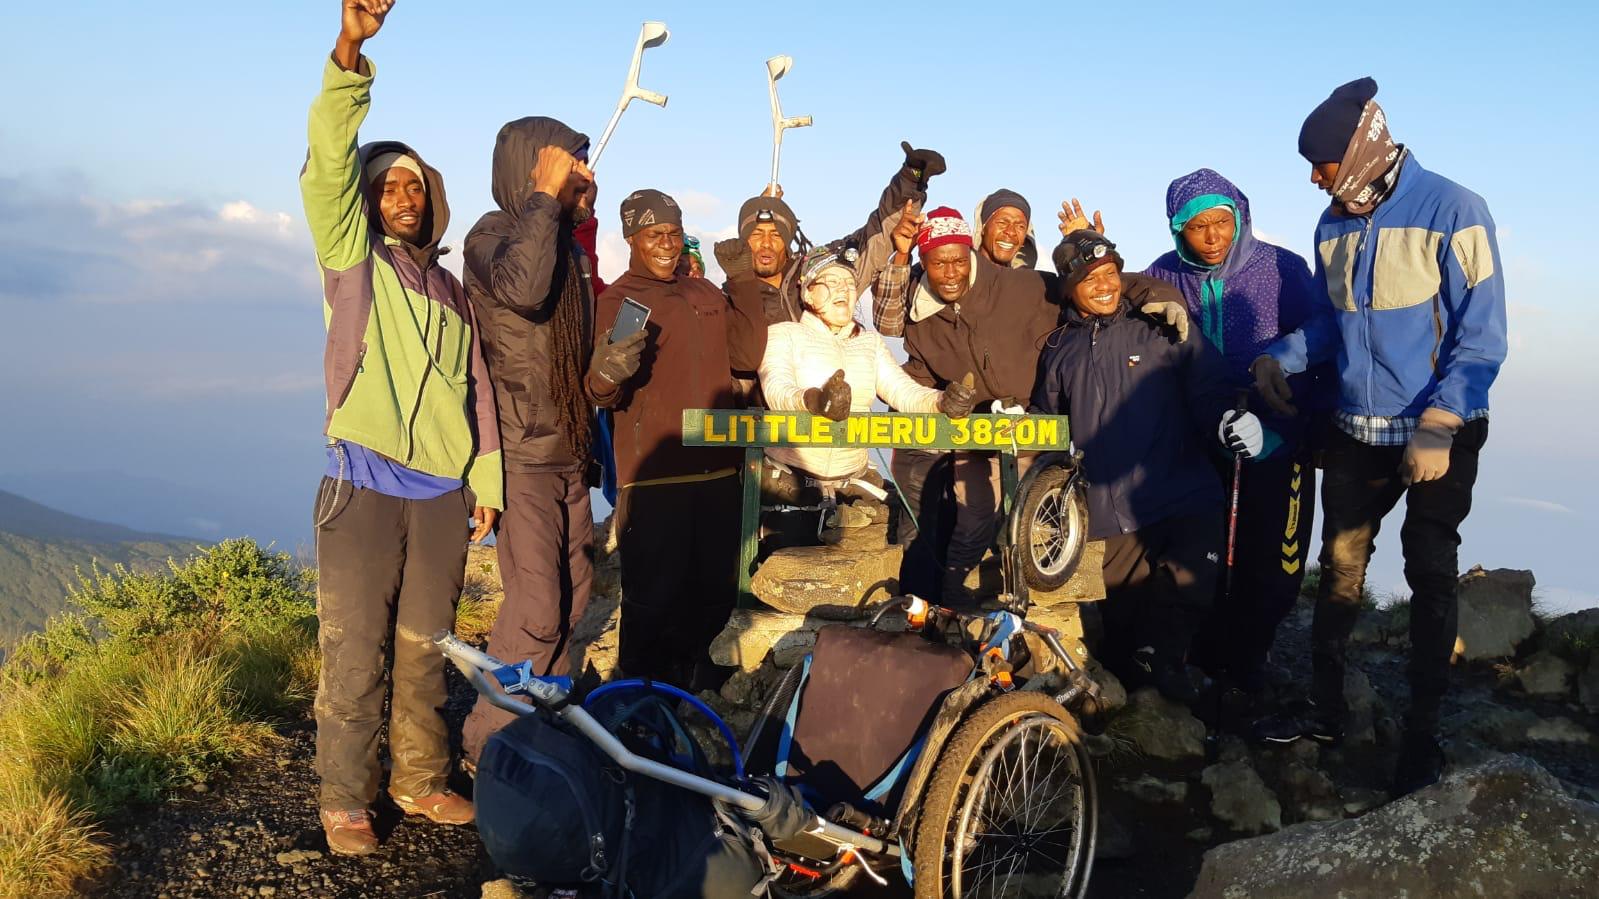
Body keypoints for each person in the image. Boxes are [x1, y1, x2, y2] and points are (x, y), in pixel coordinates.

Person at [1250, 78, 1507, 796]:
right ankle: (1327, 711)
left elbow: (1479, 336)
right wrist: (1283, 357)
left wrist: (1439, 422)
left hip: (1437, 433)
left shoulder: (1454, 209)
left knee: (1428, 570)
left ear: (1357, 150)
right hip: (1358, 430)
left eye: (1321, 163)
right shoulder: (1333, 221)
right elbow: (1336, 322)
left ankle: (1421, 738)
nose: (1313, 177)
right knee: (1338, 568)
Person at [301, 0, 501, 855]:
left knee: (428, 644)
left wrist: (483, 486)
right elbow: (325, 167)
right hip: (363, 483)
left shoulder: (453, 294)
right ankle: (344, 796)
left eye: (415, 184)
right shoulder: (353, 263)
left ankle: (419, 780)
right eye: (387, 184)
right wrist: (350, 51)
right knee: (355, 651)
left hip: (441, 494)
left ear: (434, 202)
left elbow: (477, 392)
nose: (402, 195)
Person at [881, 207, 1189, 603]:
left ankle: (1019, 608)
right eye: (939, 263)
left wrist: (1158, 294)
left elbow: (1098, 283)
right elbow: (919, 376)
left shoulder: (1020, 287)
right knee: (972, 517)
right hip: (977, 431)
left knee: (1032, 520)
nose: (952, 271)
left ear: (969, 254)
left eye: (959, 259)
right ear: (925, 263)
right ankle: (951, 605)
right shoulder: (922, 322)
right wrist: (935, 404)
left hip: (1037, 422)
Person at [1032, 230, 1266, 702]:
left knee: (1191, 588)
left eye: (1111, 274)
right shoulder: (1059, 350)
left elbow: (1207, 382)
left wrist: (1228, 420)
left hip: (1181, 490)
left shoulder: (1160, 328)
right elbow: (1049, 422)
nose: (1105, 285)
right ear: (1069, 288)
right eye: (1090, 278)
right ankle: (1138, 712)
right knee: (1122, 627)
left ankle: (1180, 686)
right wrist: (1024, 436)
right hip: (1109, 510)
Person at [459, 117, 610, 764]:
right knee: (537, 606)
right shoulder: (490, 236)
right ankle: (488, 745)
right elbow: (520, 291)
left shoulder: (569, 249)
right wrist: (548, 196)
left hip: (568, 450)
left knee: (574, 593)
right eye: (573, 163)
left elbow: (572, 356)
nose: (588, 175)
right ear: (533, 169)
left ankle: (541, 724)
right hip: (520, 453)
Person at [1141, 169, 1324, 696]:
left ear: (1240, 217)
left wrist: (1291, 426)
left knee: (1270, 557)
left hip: (1277, 439)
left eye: (1223, 222)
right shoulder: (1164, 275)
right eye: (1199, 227)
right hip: (1200, 440)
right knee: (1204, 552)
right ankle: (1201, 658)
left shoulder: (1280, 269)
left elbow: (1319, 340)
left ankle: (1249, 661)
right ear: (1179, 232)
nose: (1214, 235)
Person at [588, 189, 743, 689]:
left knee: (715, 594)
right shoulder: (619, 300)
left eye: (674, 234)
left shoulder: (705, 294)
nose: (667, 244)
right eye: (655, 234)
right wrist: (608, 371)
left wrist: (740, 279)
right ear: (631, 238)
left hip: (720, 474)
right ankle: (634, 702)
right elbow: (601, 392)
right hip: (654, 480)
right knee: (652, 599)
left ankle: (700, 704)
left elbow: (748, 350)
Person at [757, 246, 975, 514]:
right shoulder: (784, 334)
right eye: (831, 282)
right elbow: (776, 388)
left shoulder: (869, 343)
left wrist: (942, 401)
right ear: (808, 292)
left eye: (850, 284)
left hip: (854, 481)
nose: (843, 291)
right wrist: (814, 400)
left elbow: (902, 391)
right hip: (791, 480)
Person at [715, 142, 946, 391]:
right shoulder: (732, 298)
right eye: (756, 234)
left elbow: (874, 238)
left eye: (776, 234)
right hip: (766, 423)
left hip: (832, 412)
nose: (766, 244)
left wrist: (911, 178)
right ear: (743, 238)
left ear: (789, 237)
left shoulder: (819, 274)